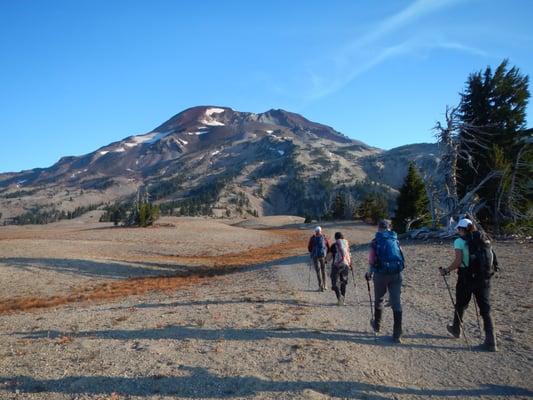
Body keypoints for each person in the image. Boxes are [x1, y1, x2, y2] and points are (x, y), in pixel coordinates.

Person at [439, 218, 497, 352]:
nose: (458, 231)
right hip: (484, 278)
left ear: (461, 229)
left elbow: (458, 262)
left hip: (466, 278)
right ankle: (491, 341)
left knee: (460, 304)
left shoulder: (459, 241)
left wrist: (446, 270)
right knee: (485, 309)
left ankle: (456, 328)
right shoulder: (484, 239)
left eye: (458, 229)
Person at [365, 219, 405, 343]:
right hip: (396, 274)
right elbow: (401, 256)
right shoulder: (395, 239)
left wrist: (369, 273)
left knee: (379, 299)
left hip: (381, 274)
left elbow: (371, 260)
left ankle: (377, 325)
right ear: (389, 227)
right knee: (396, 302)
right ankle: (397, 333)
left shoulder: (375, 241)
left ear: (379, 228)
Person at [327, 232, 352, 306]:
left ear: (336, 238)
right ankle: (343, 300)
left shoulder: (334, 245)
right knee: (343, 282)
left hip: (336, 266)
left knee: (334, 283)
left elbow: (329, 257)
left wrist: (326, 261)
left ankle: (339, 298)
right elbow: (349, 255)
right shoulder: (346, 244)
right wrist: (350, 264)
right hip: (346, 265)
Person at [308, 226, 330, 291]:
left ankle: (320, 286)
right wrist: (326, 253)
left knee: (318, 271)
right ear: (321, 231)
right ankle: (325, 285)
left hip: (315, 256)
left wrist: (312, 252)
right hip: (322, 256)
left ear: (315, 231)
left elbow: (309, 248)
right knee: (323, 270)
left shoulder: (312, 238)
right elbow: (328, 246)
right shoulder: (324, 237)